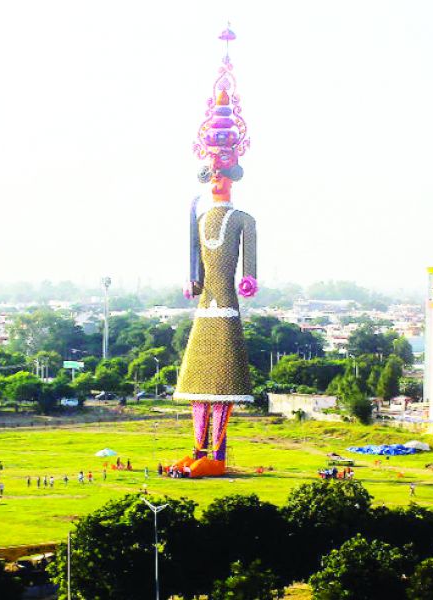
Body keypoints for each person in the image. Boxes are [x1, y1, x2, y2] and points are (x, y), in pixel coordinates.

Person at [172, 35, 257, 479]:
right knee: (199, 388)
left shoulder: (243, 217)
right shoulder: (199, 213)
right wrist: (192, 281)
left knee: (222, 388)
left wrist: (249, 280)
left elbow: (250, 269)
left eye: (225, 170)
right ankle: (198, 449)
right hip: (206, 307)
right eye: (213, 170)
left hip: (226, 309)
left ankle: (217, 456)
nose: (219, 177)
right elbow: (193, 261)